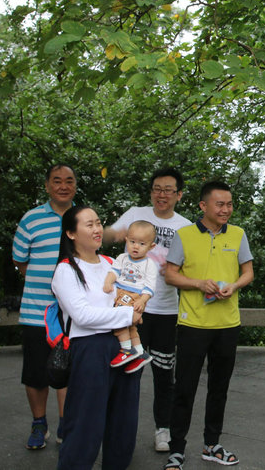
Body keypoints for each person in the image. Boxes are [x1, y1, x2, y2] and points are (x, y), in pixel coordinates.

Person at [163, 180, 254, 469]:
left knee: (219, 387)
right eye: (220, 204)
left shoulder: (238, 234)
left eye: (229, 204)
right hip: (193, 324)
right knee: (184, 388)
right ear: (203, 205)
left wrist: (234, 286)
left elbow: (248, 272)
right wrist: (199, 284)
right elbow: (170, 275)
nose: (226, 209)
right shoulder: (184, 235)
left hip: (228, 324)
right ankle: (176, 449)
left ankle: (212, 445)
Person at [103, 167, 192, 452]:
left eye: (168, 190)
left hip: (165, 310)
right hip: (129, 309)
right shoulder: (135, 214)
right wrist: (105, 232)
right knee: (126, 368)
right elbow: (109, 235)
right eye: (157, 188)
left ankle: (163, 429)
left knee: (164, 373)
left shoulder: (186, 227)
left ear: (179, 194)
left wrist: (177, 270)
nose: (161, 194)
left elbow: (193, 267)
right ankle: (117, 429)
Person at [51, 205, 143, 470]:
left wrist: (135, 309)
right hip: (89, 349)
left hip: (124, 346)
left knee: (123, 423)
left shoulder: (112, 264)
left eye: (99, 223)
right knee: (85, 423)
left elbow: (132, 295)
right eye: (89, 224)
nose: (97, 229)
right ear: (71, 233)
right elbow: (82, 316)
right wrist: (127, 315)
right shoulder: (66, 270)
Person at [12, 163, 76, 449]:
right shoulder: (31, 219)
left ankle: (65, 423)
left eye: (69, 181)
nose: (63, 186)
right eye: (57, 180)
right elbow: (20, 260)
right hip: (36, 311)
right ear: (48, 185)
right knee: (36, 374)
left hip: (73, 313)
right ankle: (39, 424)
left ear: (75, 185)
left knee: (68, 372)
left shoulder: (82, 218)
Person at [104, 220, 158, 373]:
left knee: (119, 320)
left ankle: (127, 349)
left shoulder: (149, 264)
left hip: (134, 295)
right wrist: (108, 282)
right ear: (126, 239)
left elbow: (149, 287)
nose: (136, 246)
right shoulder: (122, 258)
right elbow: (114, 272)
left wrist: (142, 300)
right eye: (132, 241)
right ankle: (140, 352)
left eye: (142, 244)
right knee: (131, 327)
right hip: (119, 292)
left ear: (151, 246)